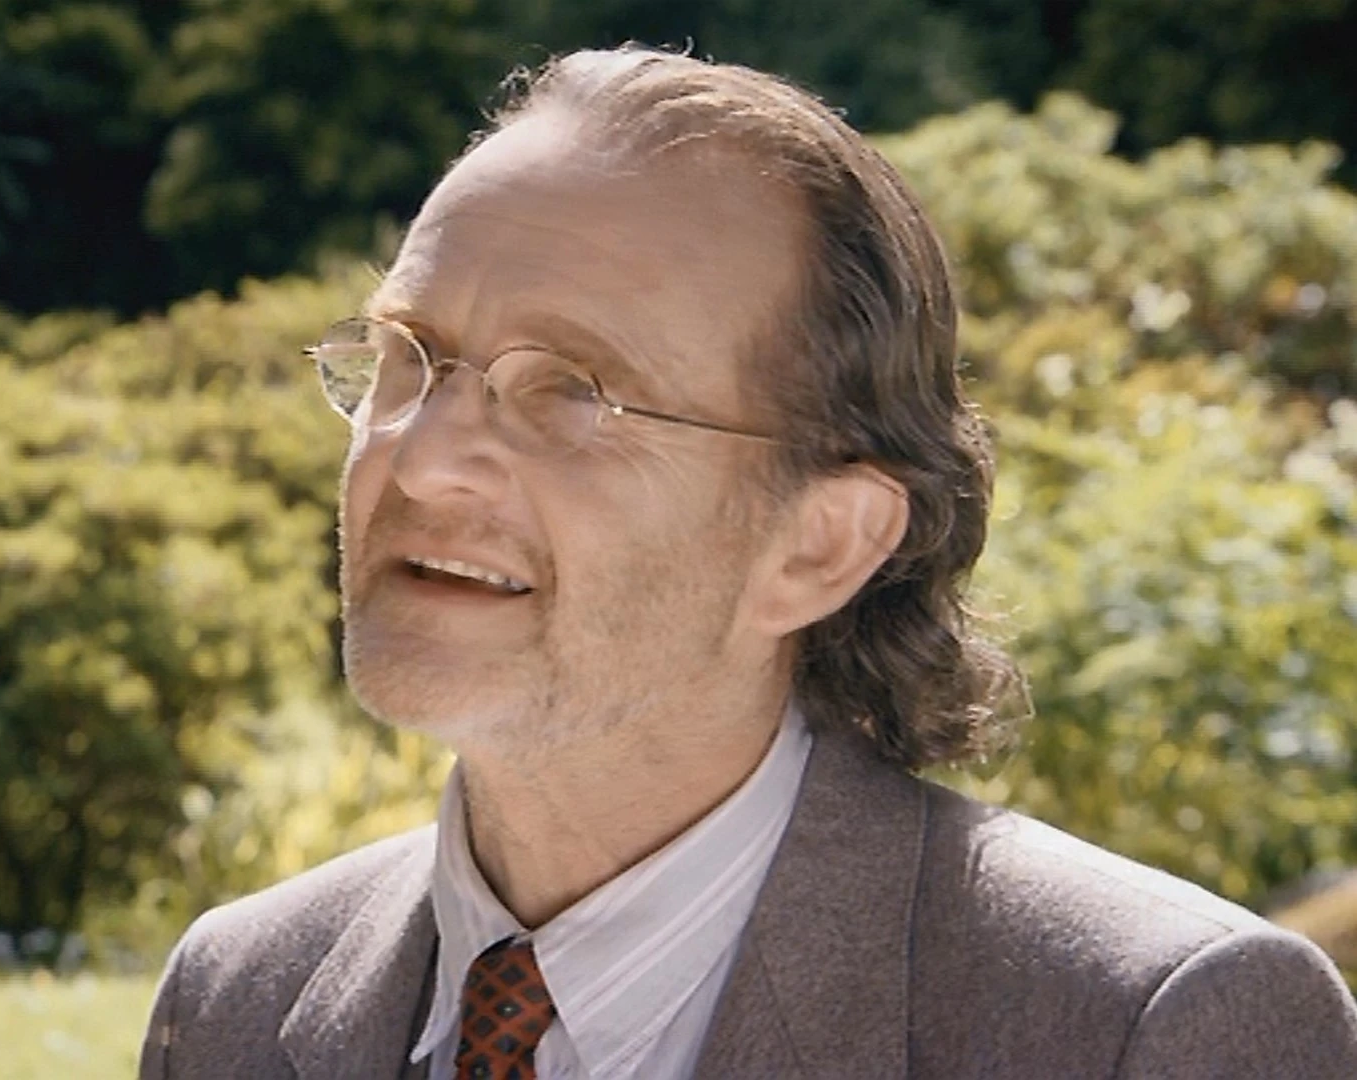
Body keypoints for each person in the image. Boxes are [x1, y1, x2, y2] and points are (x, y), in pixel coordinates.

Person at [139, 47, 1357, 1080]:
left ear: (817, 545)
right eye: (407, 355)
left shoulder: (1148, 1025)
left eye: (571, 389)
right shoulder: (238, 995)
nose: (419, 458)